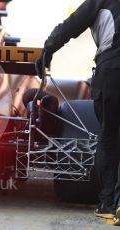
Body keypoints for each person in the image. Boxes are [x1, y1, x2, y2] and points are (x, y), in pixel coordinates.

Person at [35, 0, 120, 224]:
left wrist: (47, 50)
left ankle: (110, 204)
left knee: (110, 138)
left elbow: (70, 26)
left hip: (111, 72)